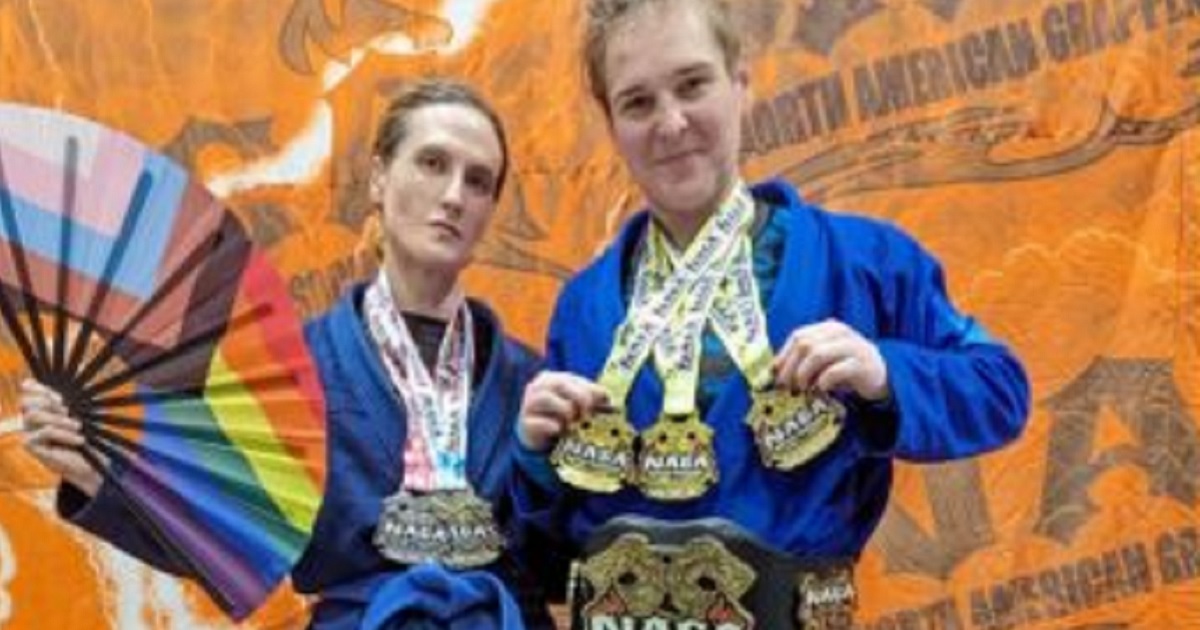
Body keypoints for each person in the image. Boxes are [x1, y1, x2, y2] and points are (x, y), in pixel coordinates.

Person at [512, 0, 1031, 626]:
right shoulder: (583, 306)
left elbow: (1001, 388)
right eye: (638, 102)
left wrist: (885, 373)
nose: (671, 123)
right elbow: (544, 554)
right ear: (611, 122)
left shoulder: (864, 261)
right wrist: (534, 462)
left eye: (692, 84)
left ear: (740, 83)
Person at [20, 78, 555, 629]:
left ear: (491, 209)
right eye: (432, 163)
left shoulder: (531, 381)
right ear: (377, 178)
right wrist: (92, 471)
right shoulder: (295, 367)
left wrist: (544, 463)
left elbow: (558, 554)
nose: (453, 196)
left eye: (478, 181)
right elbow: (218, 525)